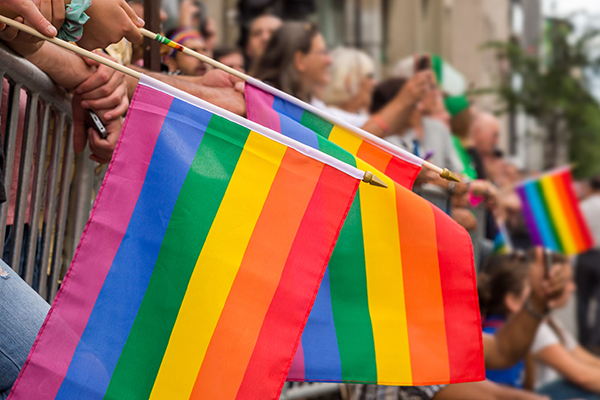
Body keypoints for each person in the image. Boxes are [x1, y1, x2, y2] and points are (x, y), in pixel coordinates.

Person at [352, 247, 570, 400]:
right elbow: (497, 395)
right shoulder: (399, 343)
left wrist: (538, 301)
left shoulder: (421, 333)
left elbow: (503, 351)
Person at [531, 262, 600, 400]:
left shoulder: (551, 321)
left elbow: (587, 360)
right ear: (549, 286)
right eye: (568, 281)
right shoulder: (538, 329)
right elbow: (582, 377)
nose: (573, 287)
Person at [313, 47, 376, 128]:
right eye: (369, 76)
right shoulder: (327, 118)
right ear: (349, 81)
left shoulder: (364, 116)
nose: (374, 82)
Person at [576, 175, 600, 351]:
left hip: (585, 254)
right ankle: (597, 339)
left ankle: (584, 338)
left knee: (582, 299)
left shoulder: (582, 206)